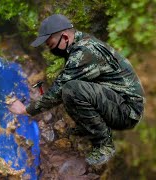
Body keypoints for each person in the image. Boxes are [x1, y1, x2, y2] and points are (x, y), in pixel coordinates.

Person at [8, 14, 145, 166]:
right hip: (116, 100)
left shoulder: (84, 52)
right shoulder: (79, 43)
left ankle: (105, 145)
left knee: (71, 89)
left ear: (65, 37)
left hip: (127, 111)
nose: (50, 49)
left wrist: (26, 110)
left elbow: (58, 90)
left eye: (51, 45)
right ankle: (89, 127)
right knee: (71, 89)